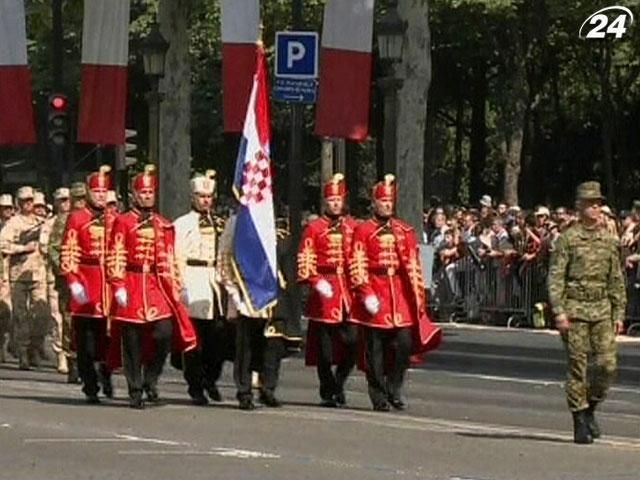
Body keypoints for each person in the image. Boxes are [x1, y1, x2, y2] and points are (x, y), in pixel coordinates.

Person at [106, 165, 196, 409]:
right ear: (135, 195)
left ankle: (151, 379)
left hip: (156, 286)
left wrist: (178, 284)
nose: (147, 196)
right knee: (132, 341)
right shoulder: (123, 222)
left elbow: (170, 256)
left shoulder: (162, 224)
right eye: (142, 192)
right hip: (133, 283)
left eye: (150, 192)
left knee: (164, 333)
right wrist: (118, 284)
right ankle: (134, 388)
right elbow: (115, 253)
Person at [349, 175, 441, 411]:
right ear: (375, 203)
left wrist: (419, 296)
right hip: (376, 290)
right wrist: (365, 292)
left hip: (398, 294)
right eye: (383, 201)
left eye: (390, 201)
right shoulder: (363, 230)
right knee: (375, 349)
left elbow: (413, 264)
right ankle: (378, 394)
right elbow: (357, 262)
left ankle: (394, 387)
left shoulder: (404, 231)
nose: (387, 205)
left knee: (404, 344)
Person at [548, 181, 625, 444]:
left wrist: (619, 313)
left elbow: (616, 278)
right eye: (590, 203)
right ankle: (579, 420)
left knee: (607, 366)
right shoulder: (569, 239)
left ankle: (590, 407)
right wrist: (559, 311)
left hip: (602, 310)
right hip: (575, 311)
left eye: (597, 203)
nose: (595, 208)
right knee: (578, 368)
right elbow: (556, 277)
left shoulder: (609, 240)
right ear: (579, 207)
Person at [218, 210, 302, 410]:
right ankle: (244, 391)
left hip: (274, 298)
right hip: (248, 295)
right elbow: (226, 259)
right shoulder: (238, 226)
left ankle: (268, 388)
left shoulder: (277, 228)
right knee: (246, 346)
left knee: (273, 345)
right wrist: (234, 295)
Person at [297, 173, 359, 407]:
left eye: (338, 199)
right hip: (324, 290)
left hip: (347, 290)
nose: (335, 204)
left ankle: (339, 380)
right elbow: (305, 258)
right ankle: (327, 387)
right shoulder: (314, 228)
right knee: (324, 349)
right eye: (331, 200)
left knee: (353, 340)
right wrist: (314, 281)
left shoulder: (353, 227)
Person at [173, 170, 231, 405]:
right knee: (193, 340)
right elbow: (176, 255)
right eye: (201, 196)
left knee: (217, 338)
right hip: (192, 278)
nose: (206, 200)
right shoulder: (182, 224)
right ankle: (195, 385)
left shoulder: (221, 223)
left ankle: (211, 378)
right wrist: (180, 285)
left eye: (209, 196)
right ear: (193, 197)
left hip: (214, 282)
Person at [60, 167, 116, 403]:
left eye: (104, 191)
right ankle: (89, 384)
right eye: (97, 191)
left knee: (108, 337)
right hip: (86, 279)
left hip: (109, 283)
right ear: (89, 193)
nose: (101, 195)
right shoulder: (77, 218)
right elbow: (68, 251)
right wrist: (73, 281)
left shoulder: (115, 219)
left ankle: (106, 372)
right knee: (86, 341)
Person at [0, 186, 48, 370]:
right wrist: (22, 248)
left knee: (41, 315)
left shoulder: (42, 222)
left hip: (39, 273)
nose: (28, 204)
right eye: (25, 201)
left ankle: (35, 348)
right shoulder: (13, 223)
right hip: (18, 275)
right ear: (19, 203)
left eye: (31, 200)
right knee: (20, 316)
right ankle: (23, 353)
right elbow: (3, 245)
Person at [47, 182, 87, 383]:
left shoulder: (94, 219)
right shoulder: (64, 220)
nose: (80, 202)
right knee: (70, 321)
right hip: (69, 280)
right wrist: (64, 271)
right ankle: (73, 363)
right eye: (77, 199)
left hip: (90, 277)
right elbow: (53, 248)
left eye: (83, 198)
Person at [39, 187, 71, 373]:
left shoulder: (78, 220)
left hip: (78, 278)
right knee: (58, 317)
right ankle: (62, 354)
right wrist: (62, 267)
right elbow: (45, 247)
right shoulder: (50, 224)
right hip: (56, 278)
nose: (66, 203)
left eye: (68, 199)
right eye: (62, 200)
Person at [0, 193, 14, 362]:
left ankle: (5, 344)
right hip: (3, 274)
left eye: (9, 208)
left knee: (7, 314)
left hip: (13, 274)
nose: (7, 211)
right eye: (4, 208)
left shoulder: (17, 225)